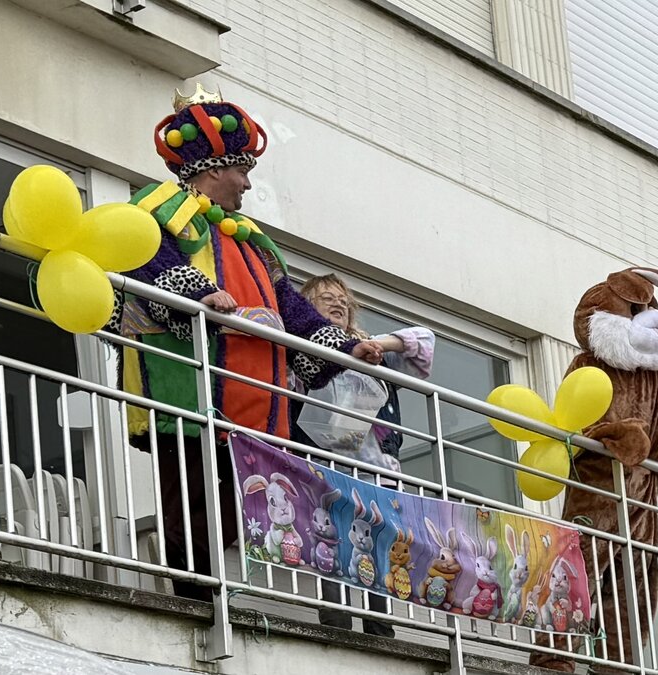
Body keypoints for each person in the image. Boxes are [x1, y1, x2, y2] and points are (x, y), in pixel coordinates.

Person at [113, 84, 382, 601]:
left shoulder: (250, 241)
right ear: (215, 170)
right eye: (242, 171)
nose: (247, 184)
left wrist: (345, 348)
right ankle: (194, 597)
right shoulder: (157, 209)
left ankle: (207, 591)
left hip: (255, 408)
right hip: (188, 394)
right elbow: (144, 256)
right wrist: (195, 294)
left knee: (239, 508)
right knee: (189, 501)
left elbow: (292, 309)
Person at [293, 273, 435, 637]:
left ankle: (379, 628)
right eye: (327, 298)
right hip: (324, 465)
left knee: (378, 546)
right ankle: (337, 625)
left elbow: (424, 340)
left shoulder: (374, 352)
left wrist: (373, 345)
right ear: (306, 307)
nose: (338, 303)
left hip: (377, 468)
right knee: (331, 540)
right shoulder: (300, 349)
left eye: (343, 300)